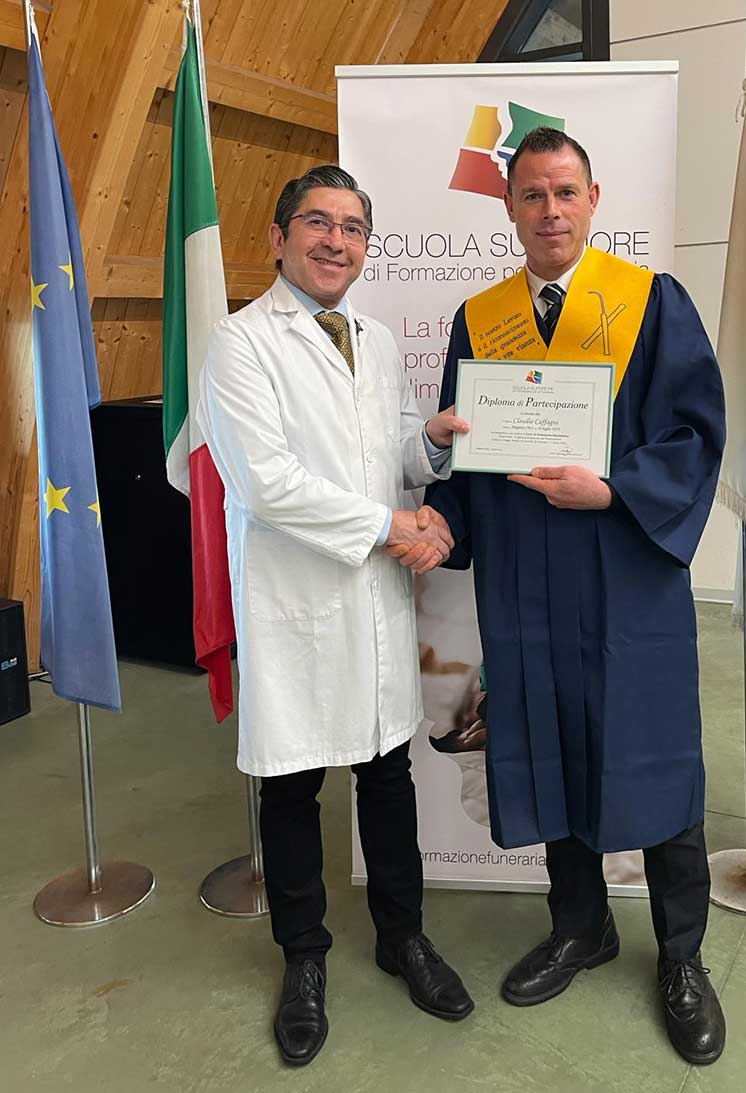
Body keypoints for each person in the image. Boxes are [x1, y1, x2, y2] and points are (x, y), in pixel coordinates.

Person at [419, 127, 728, 1066]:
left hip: (626, 577)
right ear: (509, 208)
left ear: (594, 201)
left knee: (654, 752)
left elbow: (694, 433)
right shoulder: (481, 320)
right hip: (527, 583)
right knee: (551, 743)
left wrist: (615, 489)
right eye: (532, 195)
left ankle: (681, 953)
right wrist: (441, 521)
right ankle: (580, 925)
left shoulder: (649, 301)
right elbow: (469, 457)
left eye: (565, 192)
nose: (550, 211)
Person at [198, 166, 473, 1068]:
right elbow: (266, 483)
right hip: (298, 602)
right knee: (292, 785)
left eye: (353, 227)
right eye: (317, 222)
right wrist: (393, 526)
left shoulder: (377, 339)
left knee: (387, 774)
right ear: (278, 237)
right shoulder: (240, 343)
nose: (336, 240)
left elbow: (387, 453)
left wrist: (429, 443)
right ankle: (304, 959)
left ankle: (403, 937)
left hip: (374, 601)